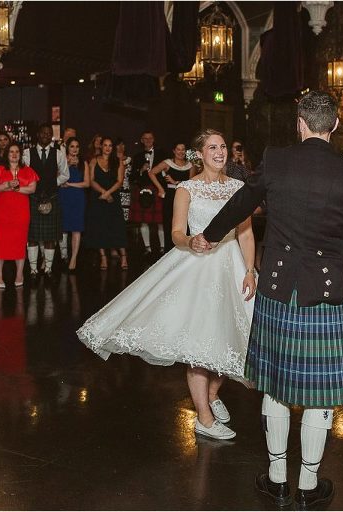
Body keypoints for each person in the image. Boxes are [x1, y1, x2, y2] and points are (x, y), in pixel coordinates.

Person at [200, 91, 343, 509]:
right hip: (328, 292)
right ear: (333, 126)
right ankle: (309, 485)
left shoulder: (277, 160)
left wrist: (208, 234)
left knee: (275, 387)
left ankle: (277, 479)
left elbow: (241, 203)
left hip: (278, 289)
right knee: (321, 392)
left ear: (299, 123)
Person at [77, 128, 256, 442]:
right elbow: (175, 233)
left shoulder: (239, 187)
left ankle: (213, 393)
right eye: (212, 147)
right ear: (198, 155)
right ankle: (204, 418)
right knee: (199, 345)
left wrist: (250, 271)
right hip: (199, 267)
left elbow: (246, 234)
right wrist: (191, 240)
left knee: (234, 335)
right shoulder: (186, 188)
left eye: (223, 146)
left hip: (233, 266)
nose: (220, 152)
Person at [0, 143, 39, 288]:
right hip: (2, 212)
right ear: (7, 154)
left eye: (17, 152)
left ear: (21, 154)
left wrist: (17, 188)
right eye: (11, 152)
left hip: (21, 212)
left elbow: (32, 189)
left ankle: (19, 274)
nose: (14, 154)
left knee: (19, 242)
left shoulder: (28, 171)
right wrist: (7, 185)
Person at [22, 123, 69, 278]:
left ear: (51, 136)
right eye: (43, 133)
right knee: (33, 236)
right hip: (33, 198)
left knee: (50, 237)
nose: (46, 136)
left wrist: (52, 183)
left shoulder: (59, 153)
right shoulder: (27, 153)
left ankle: (48, 268)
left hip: (52, 197)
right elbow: (24, 175)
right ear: (38, 135)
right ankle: (33, 269)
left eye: (49, 134)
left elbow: (65, 175)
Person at [83, 137, 128, 269]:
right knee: (99, 227)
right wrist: (103, 192)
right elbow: (91, 181)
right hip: (97, 197)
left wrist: (108, 193)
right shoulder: (93, 161)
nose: (107, 148)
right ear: (101, 147)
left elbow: (120, 181)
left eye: (110, 146)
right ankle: (103, 258)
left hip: (113, 197)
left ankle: (124, 257)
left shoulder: (118, 161)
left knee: (117, 227)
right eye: (105, 145)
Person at [149, 142, 194, 250]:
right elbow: (151, 173)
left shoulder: (190, 165)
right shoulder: (167, 163)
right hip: (170, 197)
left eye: (183, 149)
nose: (181, 152)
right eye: (178, 149)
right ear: (174, 151)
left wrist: (176, 182)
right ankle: (169, 252)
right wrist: (160, 188)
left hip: (185, 197)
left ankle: (184, 252)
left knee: (185, 225)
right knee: (169, 224)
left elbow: (191, 183)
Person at [129, 130, 166, 255]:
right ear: (141, 140)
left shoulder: (161, 154)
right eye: (145, 138)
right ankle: (147, 248)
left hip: (158, 188)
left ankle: (163, 247)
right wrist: (141, 170)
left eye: (150, 138)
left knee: (161, 220)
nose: (148, 140)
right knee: (143, 219)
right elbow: (132, 176)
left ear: (154, 139)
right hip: (143, 189)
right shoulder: (137, 156)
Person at [58, 137, 89, 271]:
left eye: (77, 146)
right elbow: (54, 177)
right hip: (63, 197)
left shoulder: (84, 163)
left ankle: (73, 259)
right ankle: (63, 255)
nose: (75, 149)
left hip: (77, 198)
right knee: (62, 228)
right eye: (72, 146)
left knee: (76, 229)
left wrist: (70, 184)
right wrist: (67, 165)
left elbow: (87, 183)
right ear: (67, 147)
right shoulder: (61, 160)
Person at [116, 138, 132, 221]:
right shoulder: (112, 160)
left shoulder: (130, 160)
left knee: (124, 216)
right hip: (115, 189)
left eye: (122, 144)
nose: (120, 147)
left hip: (126, 191)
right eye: (118, 144)